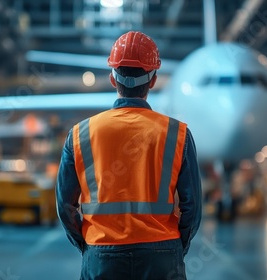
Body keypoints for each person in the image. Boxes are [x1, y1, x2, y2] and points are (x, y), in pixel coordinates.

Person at [56, 31, 202, 280]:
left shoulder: (80, 134)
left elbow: (64, 205)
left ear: (113, 79)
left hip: (102, 255)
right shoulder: (177, 134)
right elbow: (192, 207)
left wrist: (88, 245)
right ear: (153, 80)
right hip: (162, 254)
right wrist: (175, 247)